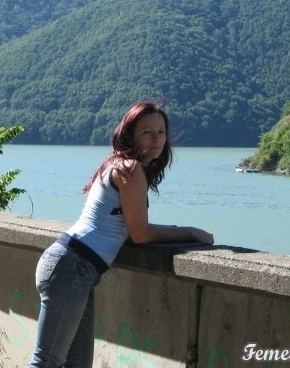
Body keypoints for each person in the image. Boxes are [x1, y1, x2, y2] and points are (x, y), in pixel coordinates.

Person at [29, 101, 214, 367]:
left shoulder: (117, 165)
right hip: (72, 267)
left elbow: (126, 227)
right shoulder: (130, 169)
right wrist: (189, 232)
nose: (156, 139)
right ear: (130, 135)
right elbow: (140, 234)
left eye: (161, 132)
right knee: (46, 362)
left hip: (74, 267)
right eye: (147, 132)